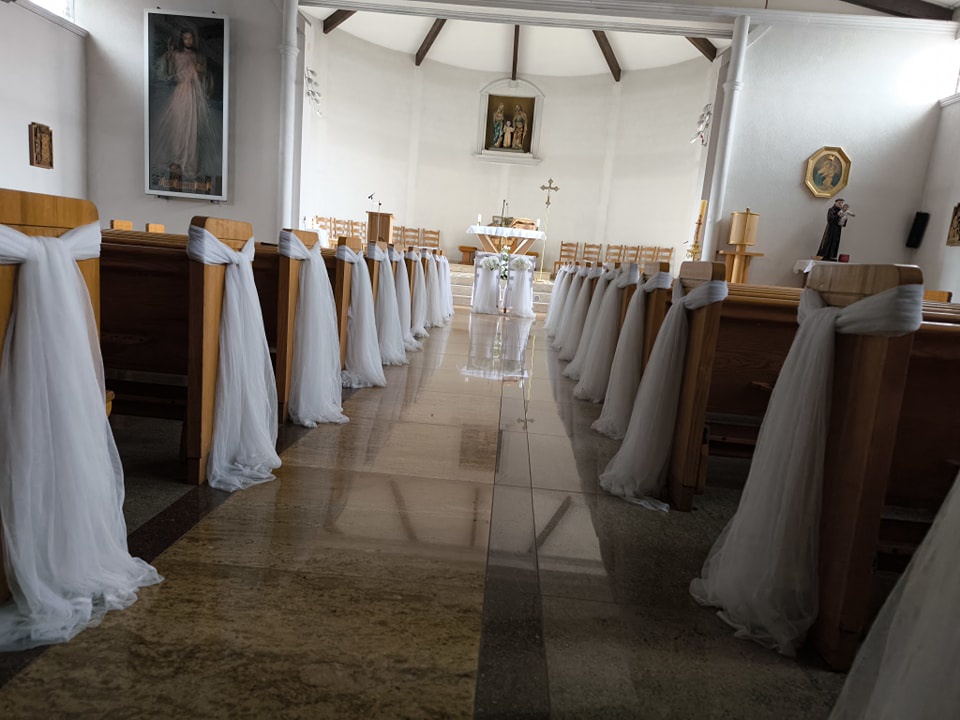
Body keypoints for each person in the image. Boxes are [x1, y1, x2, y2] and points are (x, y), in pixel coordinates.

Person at [150, 28, 217, 185]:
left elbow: (204, 76)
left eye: (190, 38)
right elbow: (168, 71)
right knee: (178, 126)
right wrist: (169, 54)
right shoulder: (176, 54)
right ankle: (176, 159)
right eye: (185, 38)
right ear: (182, 40)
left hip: (193, 94)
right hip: (181, 93)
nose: (188, 41)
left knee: (191, 127)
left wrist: (200, 71)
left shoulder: (197, 56)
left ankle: (188, 161)